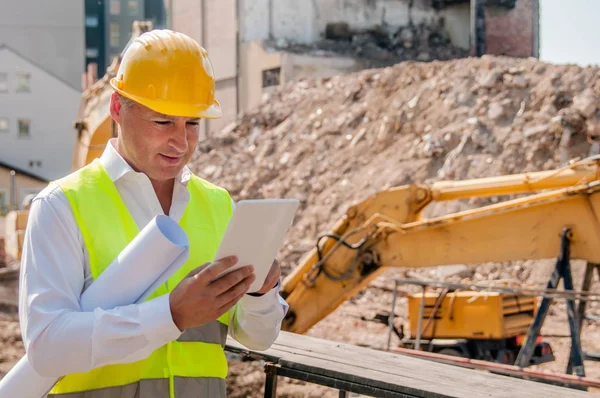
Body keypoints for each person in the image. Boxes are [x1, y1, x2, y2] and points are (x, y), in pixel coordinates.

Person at [18, 29, 288, 397]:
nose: (181, 142)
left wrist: (262, 293)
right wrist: (171, 315)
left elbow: (259, 337)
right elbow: (47, 349)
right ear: (117, 108)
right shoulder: (62, 206)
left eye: (192, 123)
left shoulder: (218, 205)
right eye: (163, 122)